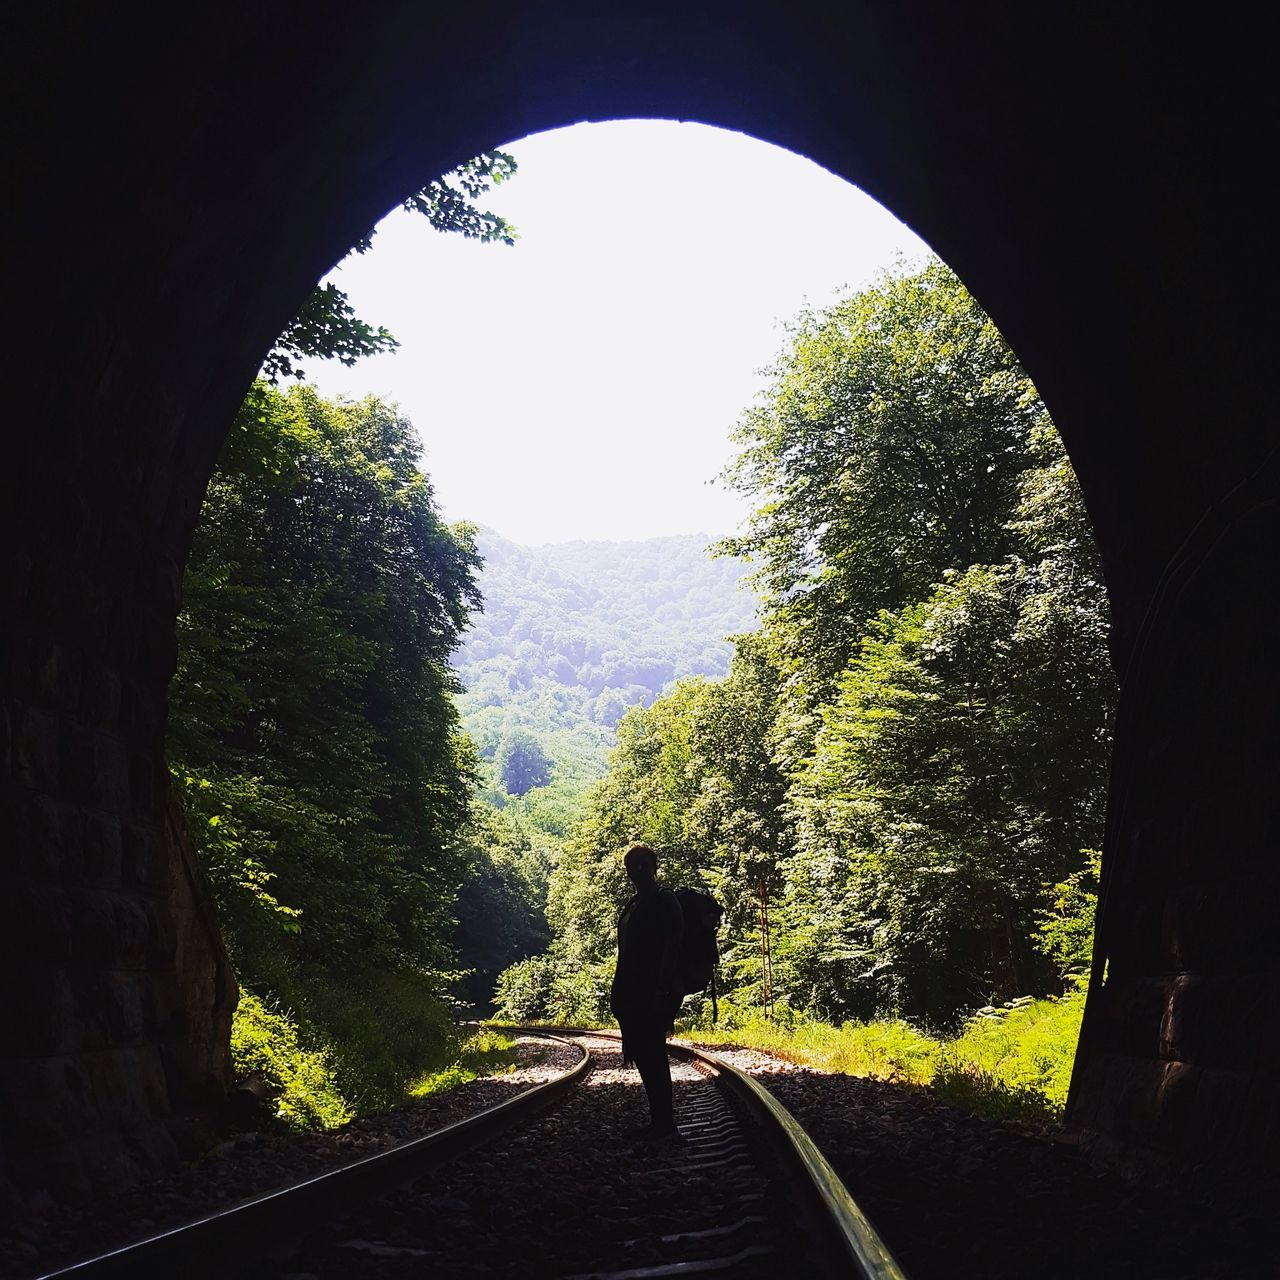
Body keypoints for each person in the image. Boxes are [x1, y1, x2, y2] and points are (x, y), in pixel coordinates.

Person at [610, 842, 684, 1141]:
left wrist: (662, 989)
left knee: (653, 1052)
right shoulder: (633, 904)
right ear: (627, 871)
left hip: (653, 991)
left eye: (643, 863)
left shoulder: (665, 900)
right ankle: (659, 1120)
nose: (638, 869)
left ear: (654, 866)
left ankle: (666, 1123)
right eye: (633, 865)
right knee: (643, 1052)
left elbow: (673, 945)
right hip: (632, 990)